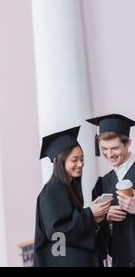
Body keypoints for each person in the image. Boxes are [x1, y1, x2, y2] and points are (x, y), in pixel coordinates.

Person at [34, 126, 111, 267]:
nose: (80, 164)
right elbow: (57, 234)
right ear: (59, 161)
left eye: (82, 159)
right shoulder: (52, 190)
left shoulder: (67, 188)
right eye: (74, 160)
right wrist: (90, 214)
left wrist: (95, 219)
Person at [87, 114, 135, 267]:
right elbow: (100, 232)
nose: (109, 154)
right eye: (104, 149)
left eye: (114, 148)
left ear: (128, 143)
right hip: (120, 258)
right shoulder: (103, 183)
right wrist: (105, 217)